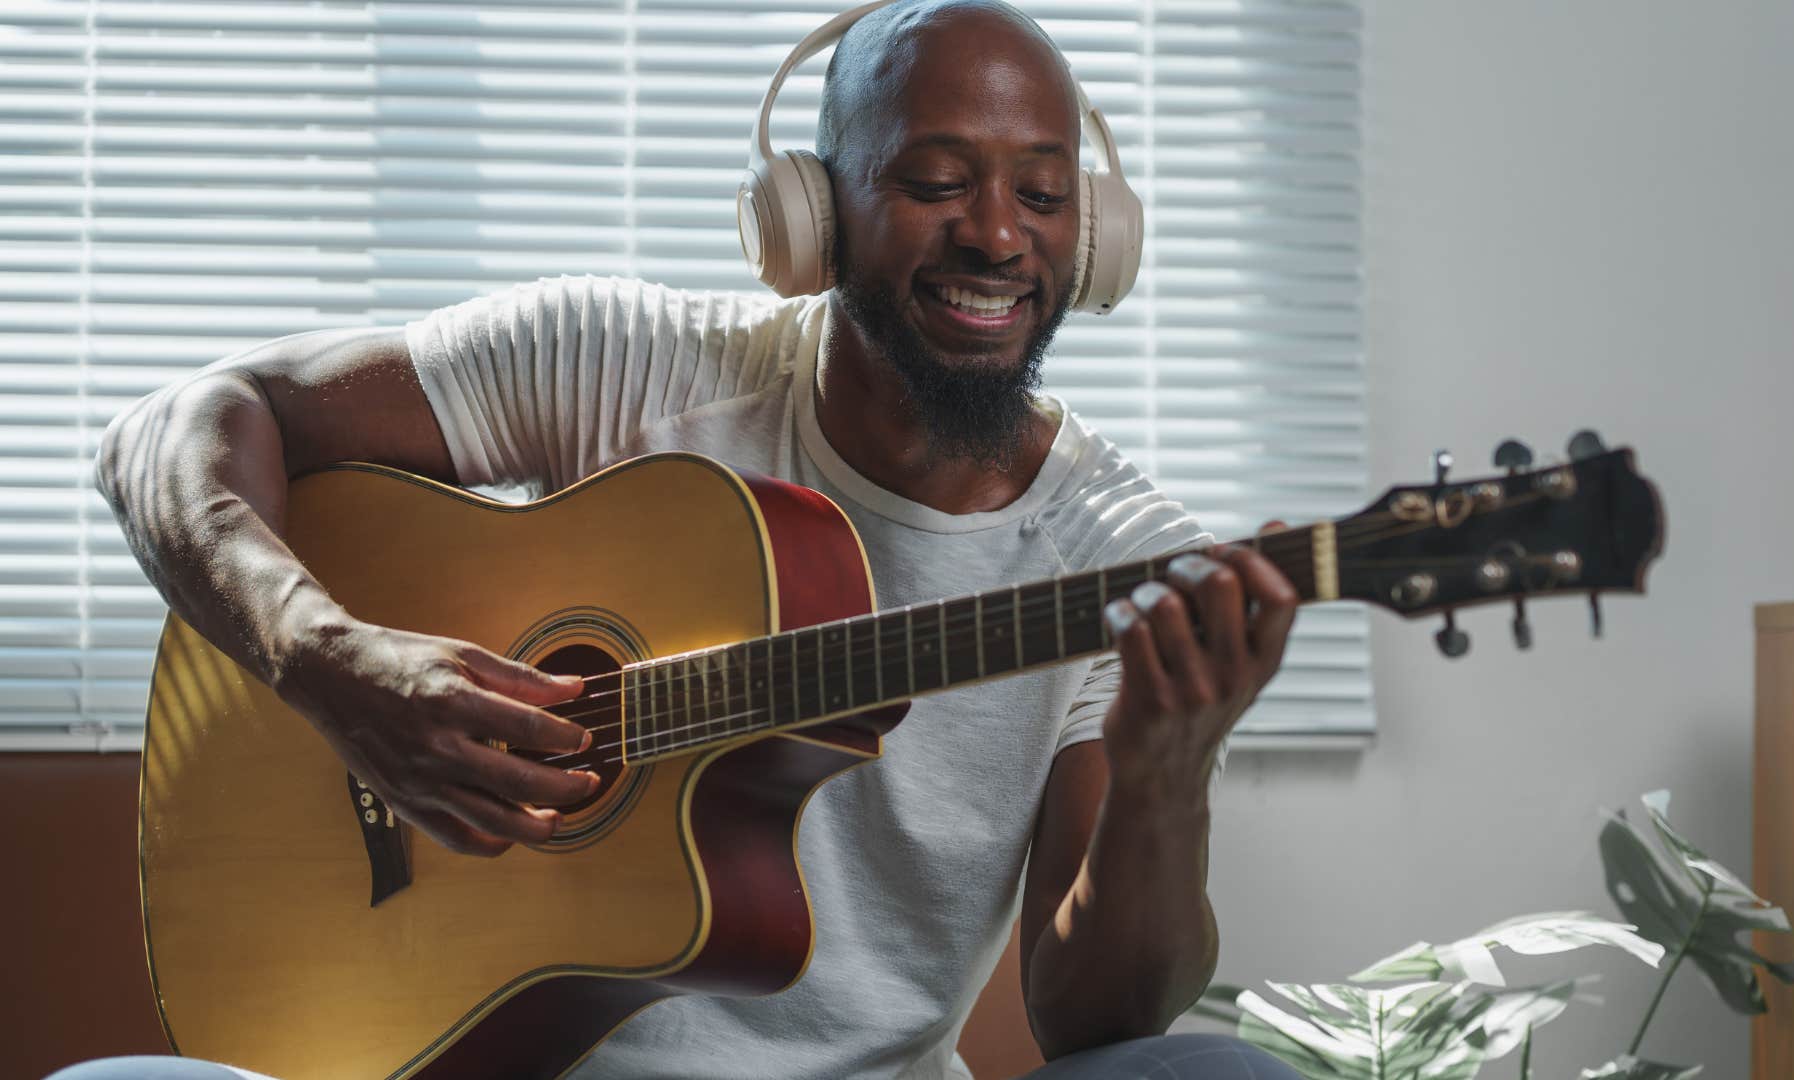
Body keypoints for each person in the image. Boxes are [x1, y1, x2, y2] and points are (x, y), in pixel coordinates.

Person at [62, 2, 1301, 1078]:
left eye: (1041, 193)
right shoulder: (628, 366)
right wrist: (331, 664)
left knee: (1214, 1071)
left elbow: (1092, 1019)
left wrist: (1163, 779)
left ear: (1093, 242)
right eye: (935, 182)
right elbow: (172, 429)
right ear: (811, 218)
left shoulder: (1122, 559)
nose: (995, 236)